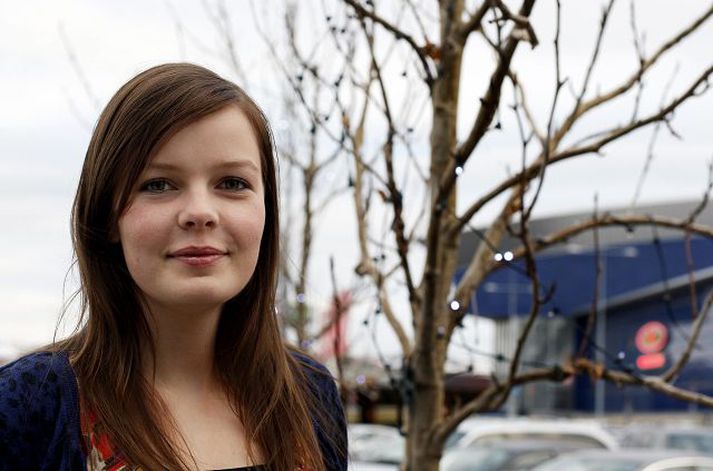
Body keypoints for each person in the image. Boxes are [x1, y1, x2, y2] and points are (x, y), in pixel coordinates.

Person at [0, 63, 347, 470]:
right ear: (108, 217)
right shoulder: (29, 404)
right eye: (158, 185)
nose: (200, 213)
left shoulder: (308, 393)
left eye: (232, 183)